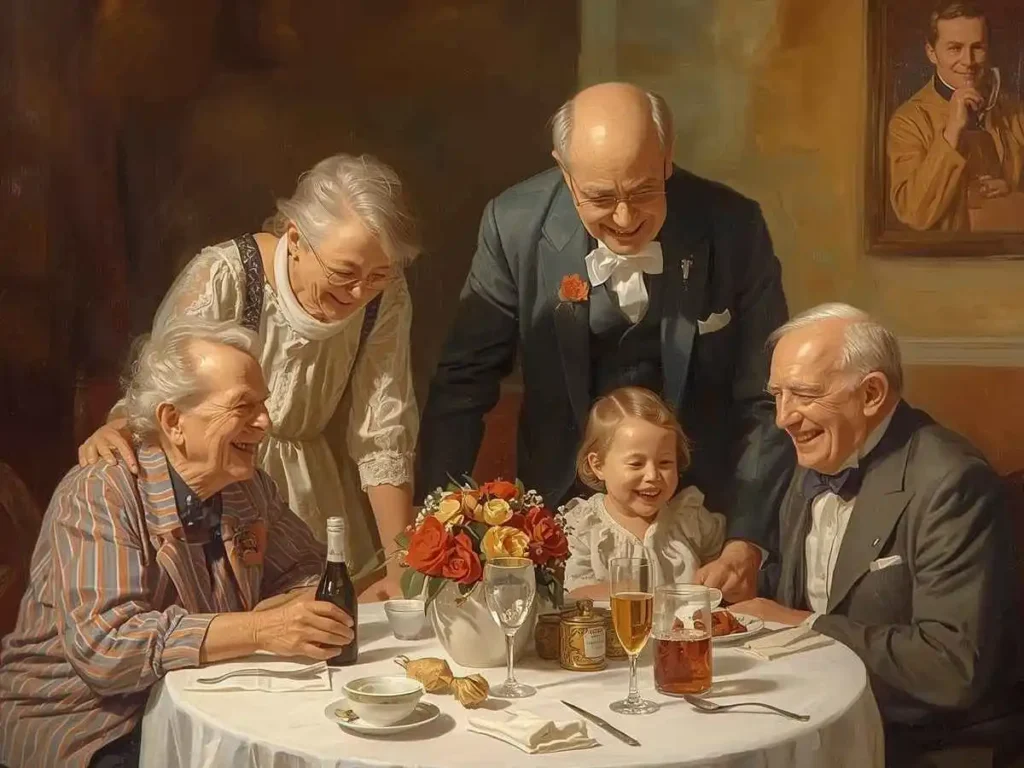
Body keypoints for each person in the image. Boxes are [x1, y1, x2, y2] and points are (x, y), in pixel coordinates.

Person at [417, 82, 792, 602]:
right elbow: (464, 384)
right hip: (557, 524)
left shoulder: (734, 227)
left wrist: (746, 540)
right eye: (599, 197)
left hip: (700, 533)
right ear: (564, 170)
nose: (624, 218)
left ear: (667, 156)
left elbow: (766, 397)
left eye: (642, 191)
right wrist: (438, 530)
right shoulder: (513, 225)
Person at [0, 319, 355, 768]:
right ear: (173, 421)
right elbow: (107, 648)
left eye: (263, 404)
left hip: (198, 701)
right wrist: (258, 629)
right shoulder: (101, 492)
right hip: (87, 722)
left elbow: (309, 570)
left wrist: (288, 606)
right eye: (243, 406)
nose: (265, 422)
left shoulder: (249, 488)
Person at [78, 153, 421, 599]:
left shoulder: (384, 296)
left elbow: (383, 430)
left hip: (314, 488)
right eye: (344, 273)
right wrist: (122, 426)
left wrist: (400, 563)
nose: (359, 292)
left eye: (377, 276)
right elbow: (165, 390)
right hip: (221, 479)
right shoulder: (226, 276)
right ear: (295, 238)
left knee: (320, 608)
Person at [731, 304, 1018, 741]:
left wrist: (804, 627)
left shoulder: (952, 483)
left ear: (871, 394)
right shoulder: (819, 452)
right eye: (778, 395)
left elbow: (951, 666)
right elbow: (824, 589)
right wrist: (743, 588)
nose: (783, 417)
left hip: (926, 741)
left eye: (804, 394)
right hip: (823, 715)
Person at [562, 386, 725, 598]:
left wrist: (719, 575)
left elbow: (726, 567)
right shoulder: (584, 526)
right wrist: (625, 591)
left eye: (665, 462)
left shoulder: (690, 519)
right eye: (636, 464)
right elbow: (573, 595)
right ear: (598, 465)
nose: (652, 475)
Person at [888, 1, 1024, 232]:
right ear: (931, 52)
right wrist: (951, 131)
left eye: (977, 47)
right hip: (946, 254)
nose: (968, 61)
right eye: (955, 48)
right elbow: (913, 213)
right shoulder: (908, 121)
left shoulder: (1014, 111)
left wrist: (1012, 193)